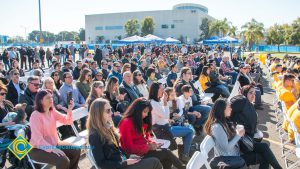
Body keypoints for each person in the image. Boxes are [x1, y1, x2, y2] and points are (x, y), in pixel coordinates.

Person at [87, 99, 163, 169]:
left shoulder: (108, 127)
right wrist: (124, 163)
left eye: (110, 109)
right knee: (155, 162)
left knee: (162, 155)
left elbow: (117, 149)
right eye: (108, 110)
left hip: (123, 162)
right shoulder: (94, 135)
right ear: (98, 113)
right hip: (119, 166)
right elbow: (101, 163)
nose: (111, 112)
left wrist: (130, 156)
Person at [119, 98, 186, 169]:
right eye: (145, 112)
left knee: (166, 155)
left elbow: (147, 137)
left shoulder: (141, 120)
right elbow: (129, 148)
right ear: (137, 110)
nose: (146, 114)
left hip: (143, 152)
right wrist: (148, 147)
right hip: (135, 157)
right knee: (165, 154)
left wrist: (153, 144)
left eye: (148, 112)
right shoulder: (126, 123)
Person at [230, 86, 282, 169]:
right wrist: (233, 126)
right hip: (242, 141)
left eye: (254, 93)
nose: (253, 95)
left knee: (265, 155)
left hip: (249, 137)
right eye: (251, 93)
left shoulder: (249, 104)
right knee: (265, 148)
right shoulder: (242, 100)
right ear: (245, 93)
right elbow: (228, 109)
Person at [29, 90, 81, 169]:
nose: (51, 99)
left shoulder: (52, 111)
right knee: (63, 160)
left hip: (54, 144)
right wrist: (52, 149)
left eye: (51, 97)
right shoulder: (35, 115)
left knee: (76, 150)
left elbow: (67, 121)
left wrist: (70, 109)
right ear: (40, 101)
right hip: (37, 149)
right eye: (48, 98)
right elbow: (37, 139)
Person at [149, 83, 194, 162]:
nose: (163, 91)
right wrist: (165, 102)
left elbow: (163, 117)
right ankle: (185, 154)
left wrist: (169, 119)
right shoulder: (153, 103)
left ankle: (184, 150)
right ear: (156, 90)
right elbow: (166, 115)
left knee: (189, 128)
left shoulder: (157, 101)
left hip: (166, 127)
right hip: (162, 130)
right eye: (161, 89)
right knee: (190, 131)